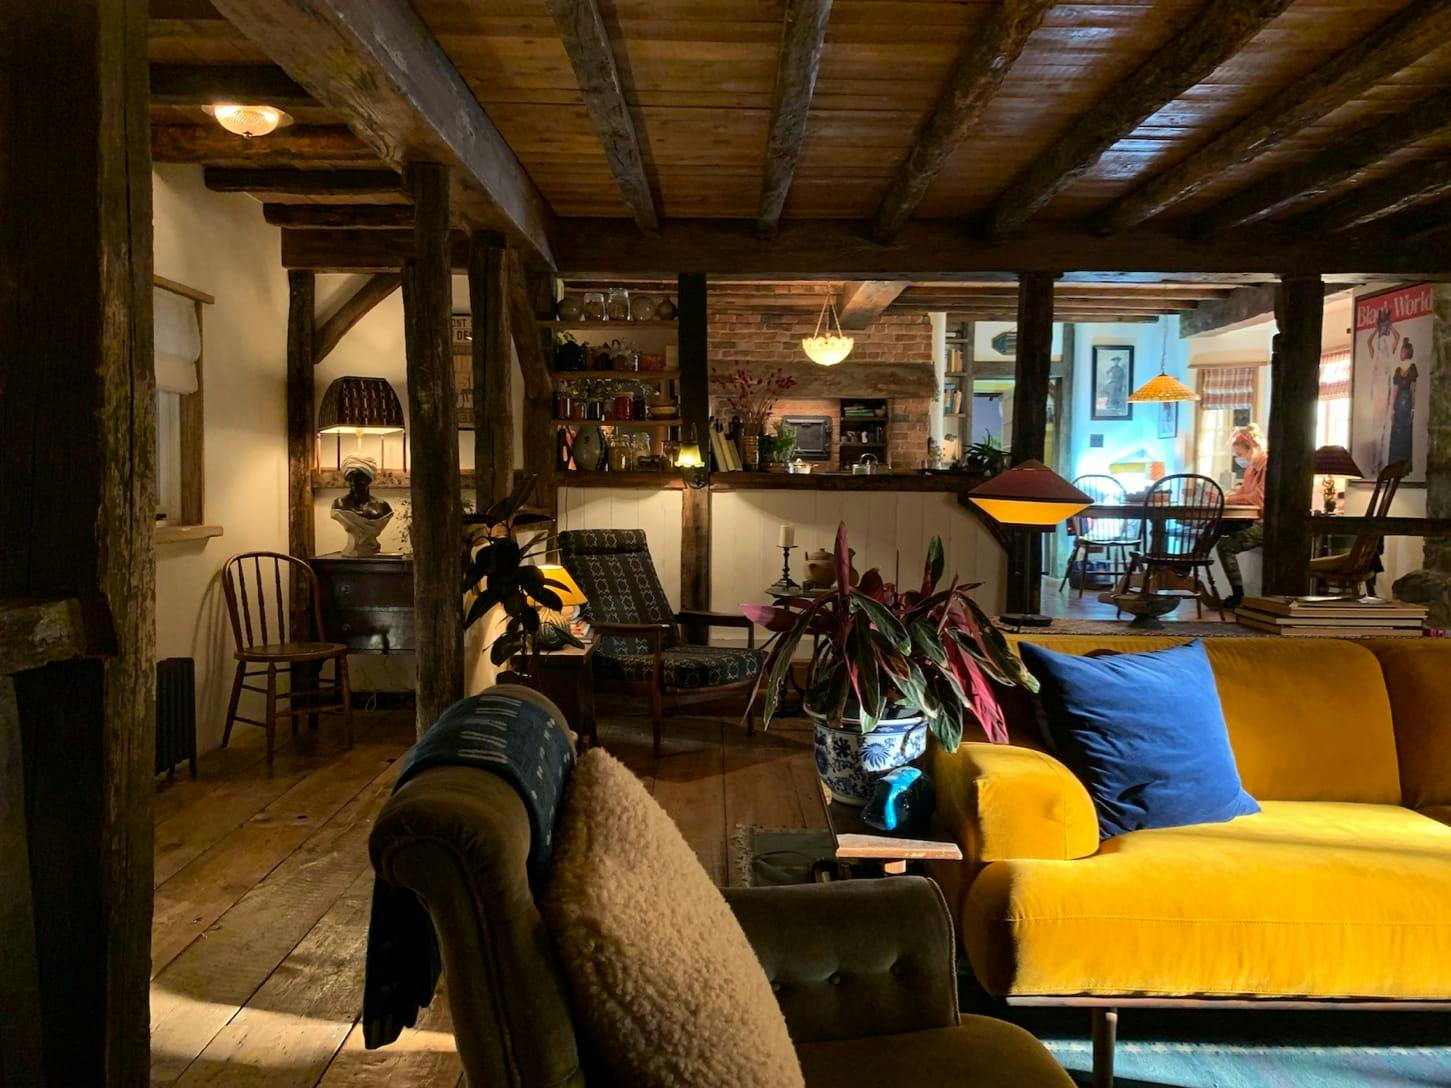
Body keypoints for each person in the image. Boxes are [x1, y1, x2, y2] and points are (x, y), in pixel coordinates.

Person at [1216, 424, 1267, 611]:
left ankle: (1238, 595)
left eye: (1239, 454)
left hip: (1267, 524)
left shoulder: (1267, 467)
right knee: (1216, 526)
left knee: (1225, 545)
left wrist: (1228, 499)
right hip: (1253, 519)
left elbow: (1257, 499)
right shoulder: (1250, 469)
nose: (1238, 459)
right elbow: (1245, 492)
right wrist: (1228, 497)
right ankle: (1188, 565)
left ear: (1252, 448)